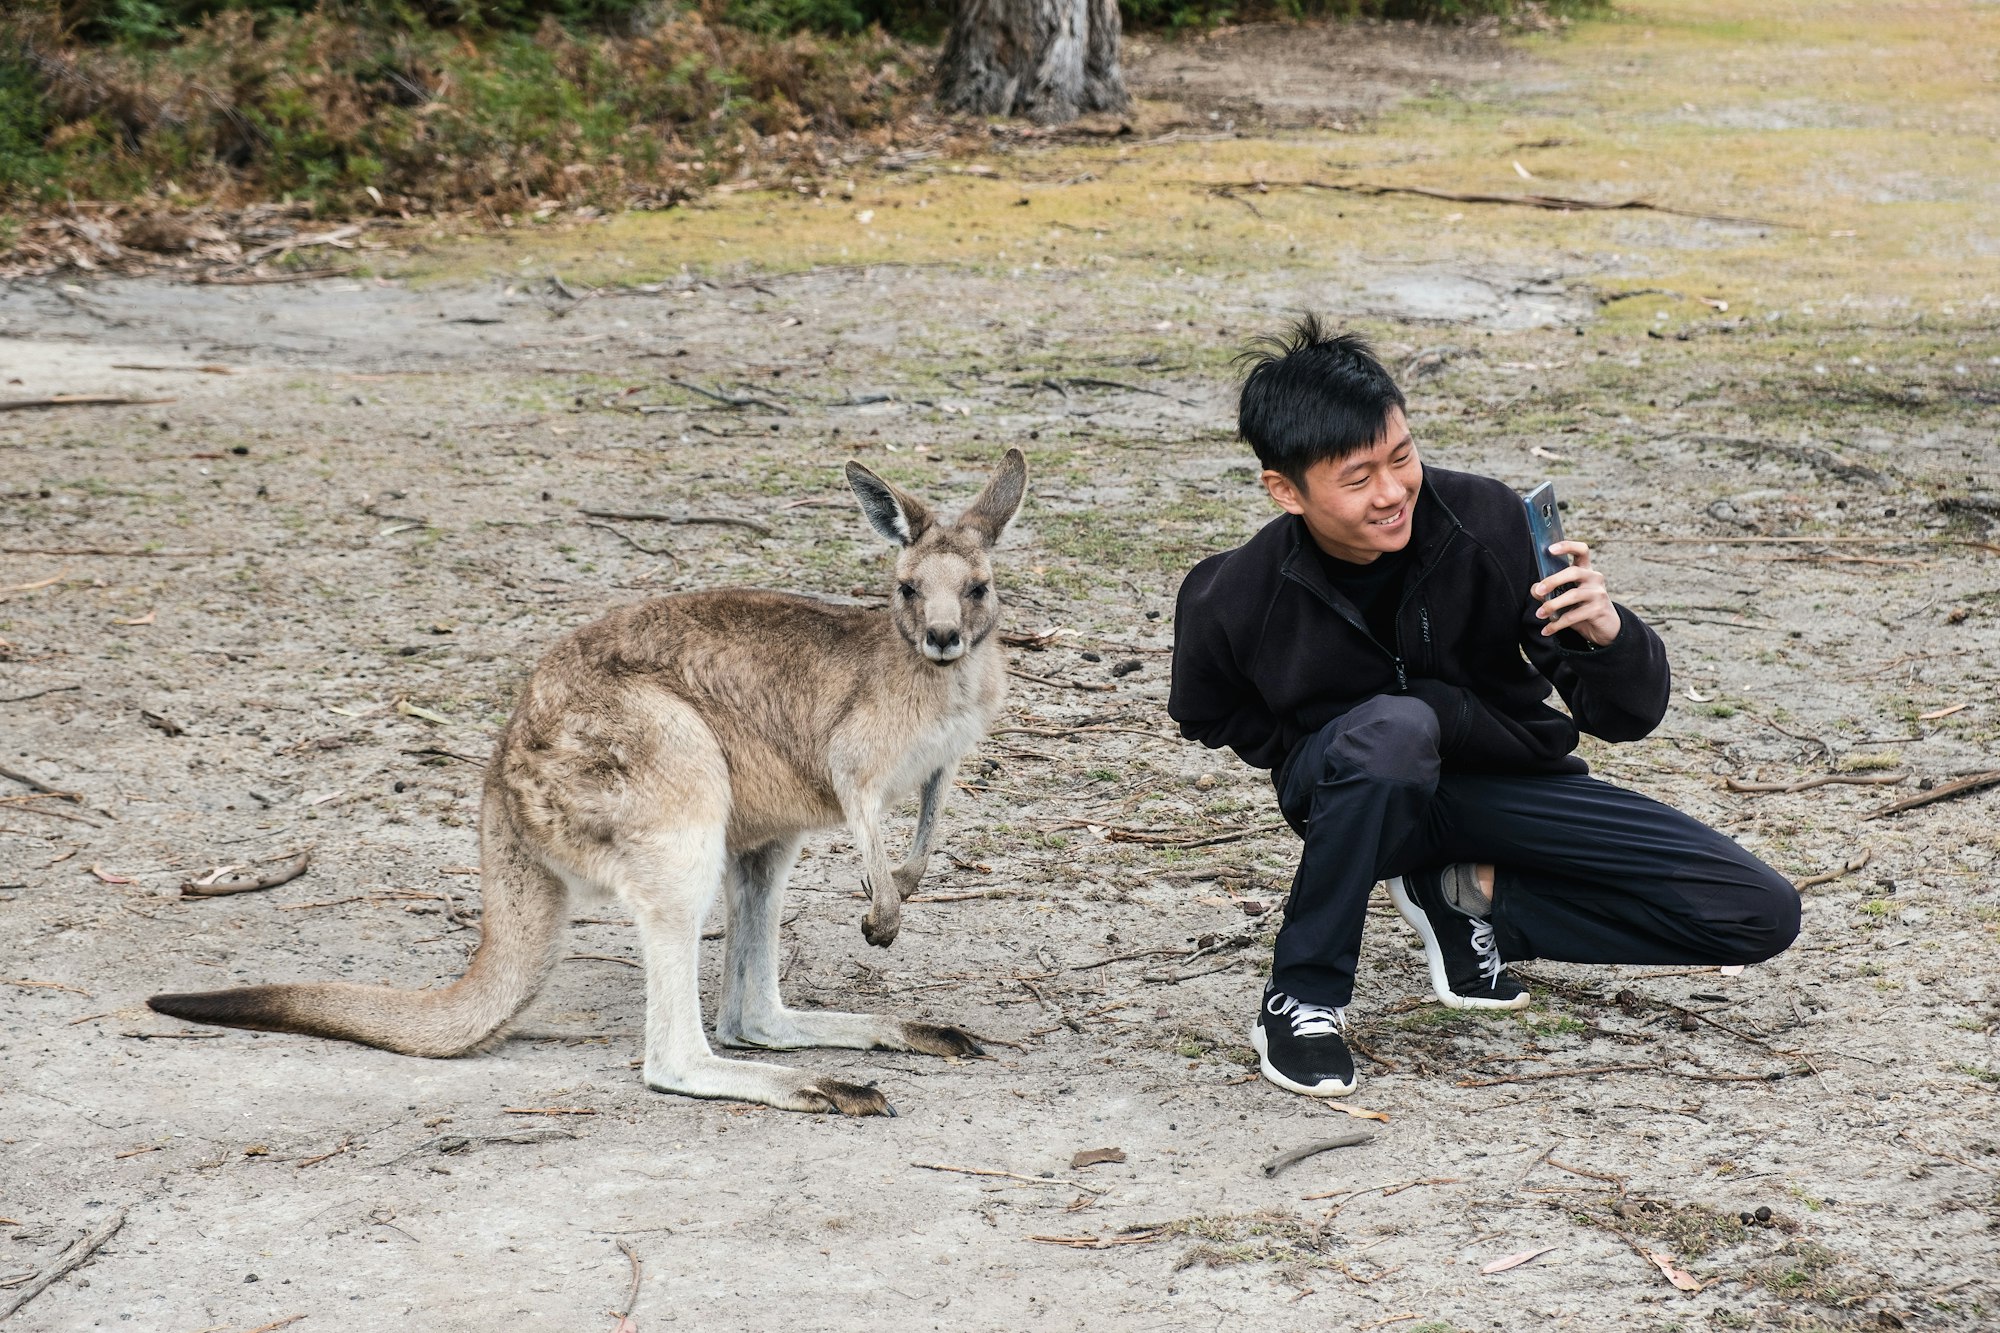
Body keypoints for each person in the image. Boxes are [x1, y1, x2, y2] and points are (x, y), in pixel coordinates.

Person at [1167, 317, 1800, 1098]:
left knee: (1757, 911)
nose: (1394, 491)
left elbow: (1625, 715)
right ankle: (1303, 998)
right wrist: (1311, 753)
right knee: (1395, 730)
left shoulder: (1489, 525)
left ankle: (1473, 898)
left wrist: (1608, 633)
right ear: (1286, 490)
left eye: (1402, 457)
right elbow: (1206, 711)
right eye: (1358, 477)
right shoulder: (1234, 592)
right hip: (1359, 791)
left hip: (1505, 785)